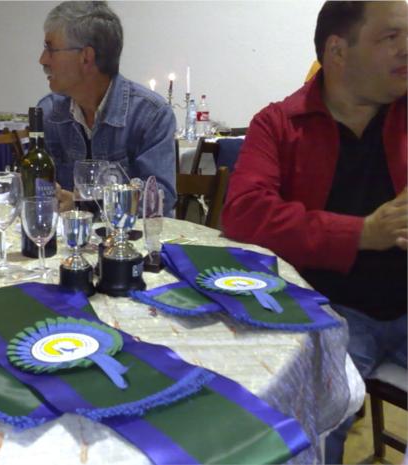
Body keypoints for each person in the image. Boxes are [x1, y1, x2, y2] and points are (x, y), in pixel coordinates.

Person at [221, 2, 407, 463]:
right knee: (309, 425)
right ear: (338, 51)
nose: (407, 49)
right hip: (330, 312)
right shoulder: (280, 124)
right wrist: (361, 233)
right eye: (391, 38)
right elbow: (243, 214)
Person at [37, 1, 177, 213]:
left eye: (50, 49)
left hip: (131, 234)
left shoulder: (150, 114)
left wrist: (83, 206)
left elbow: (158, 199)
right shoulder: (49, 112)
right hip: (69, 234)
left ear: (86, 57)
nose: (42, 60)